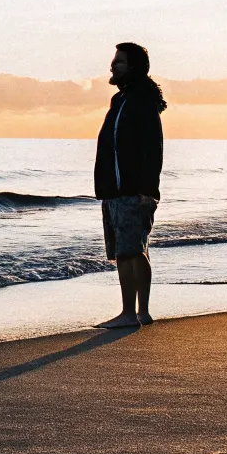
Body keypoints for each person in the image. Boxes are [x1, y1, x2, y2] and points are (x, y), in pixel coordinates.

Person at [93, 41, 165, 328]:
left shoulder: (141, 100)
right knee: (130, 250)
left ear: (133, 67)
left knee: (130, 251)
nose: (113, 65)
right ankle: (138, 312)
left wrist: (144, 188)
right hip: (116, 189)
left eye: (119, 62)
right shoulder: (121, 100)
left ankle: (132, 312)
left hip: (132, 190)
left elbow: (152, 147)